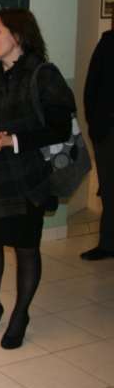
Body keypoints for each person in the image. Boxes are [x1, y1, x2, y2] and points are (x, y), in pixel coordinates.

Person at [0, 8, 75, 349]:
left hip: (28, 181)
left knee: (26, 249)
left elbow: (59, 128)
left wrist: (10, 140)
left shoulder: (43, 75)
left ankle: (21, 314)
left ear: (18, 35)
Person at [80, 17, 114, 261]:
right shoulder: (108, 43)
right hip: (108, 130)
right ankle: (108, 243)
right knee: (110, 189)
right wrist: (95, 124)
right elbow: (91, 87)